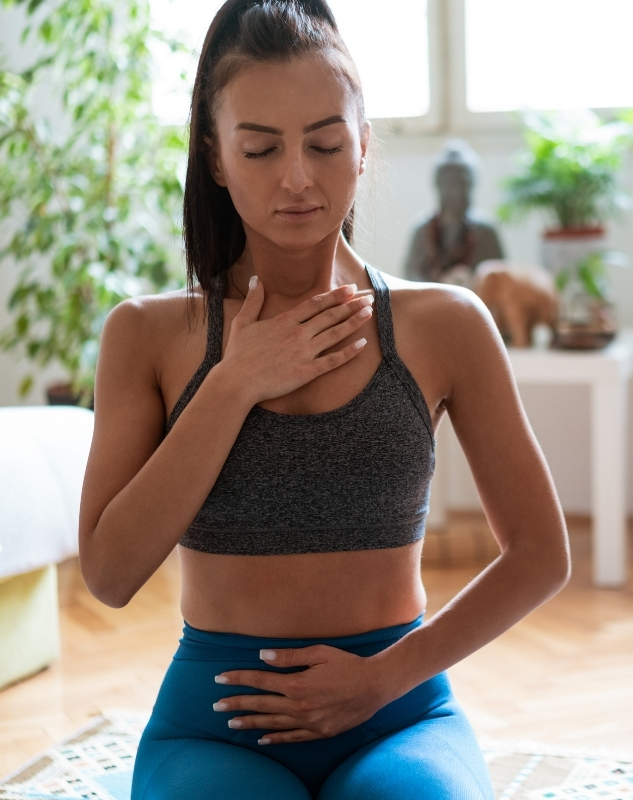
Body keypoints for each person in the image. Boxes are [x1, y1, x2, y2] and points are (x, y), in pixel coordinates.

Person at [78, 1, 570, 797]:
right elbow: (109, 573)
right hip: (214, 722)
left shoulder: (445, 324)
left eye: (327, 143)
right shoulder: (147, 335)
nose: (298, 177)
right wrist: (233, 382)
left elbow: (543, 555)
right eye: (261, 148)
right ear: (214, 156)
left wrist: (382, 680)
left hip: (401, 710)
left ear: (365, 144)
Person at [404, 139, 505, 285]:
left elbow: (501, 279)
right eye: (451, 183)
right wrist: (439, 285)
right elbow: (411, 276)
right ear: (438, 185)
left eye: (463, 183)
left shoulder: (486, 231)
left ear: (472, 185)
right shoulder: (423, 230)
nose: (457, 192)